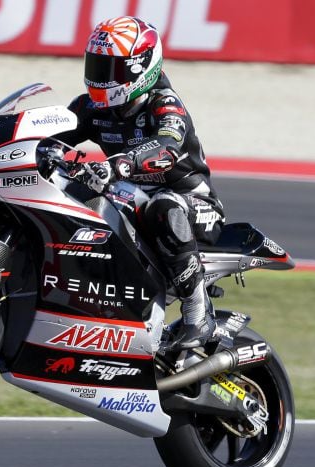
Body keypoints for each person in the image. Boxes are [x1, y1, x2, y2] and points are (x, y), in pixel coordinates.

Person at [54, 16, 225, 350]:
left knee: (164, 206)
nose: (102, 76)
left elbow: (168, 147)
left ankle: (198, 313)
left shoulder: (165, 104)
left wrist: (118, 165)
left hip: (195, 206)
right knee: (72, 195)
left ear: (140, 68)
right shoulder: (92, 107)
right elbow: (53, 135)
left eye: (112, 69)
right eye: (99, 65)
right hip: (129, 198)